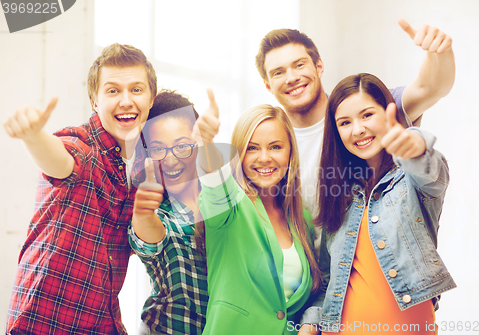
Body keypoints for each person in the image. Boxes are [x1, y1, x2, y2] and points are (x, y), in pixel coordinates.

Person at [3, 43, 157, 335]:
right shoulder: (84, 145)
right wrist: (34, 137)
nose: (126, 100)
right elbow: (62, 159)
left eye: (136, 89)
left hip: (101, 320)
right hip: (43, 322)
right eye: (113, 90)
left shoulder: (142, 167)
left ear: (151, 99)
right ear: (95, 101)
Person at [255, 19, 454, 221]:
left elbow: (429, 89)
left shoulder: (364, 112)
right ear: (269, 86)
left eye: (299, 65)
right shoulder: (269, 144)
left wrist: (439, 53)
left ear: (319, 66)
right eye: (278, 72)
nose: (291, 78)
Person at [308, 73, 456, 334]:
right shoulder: (338, 195)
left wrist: (415, 147)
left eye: (367, 115)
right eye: (344, 122)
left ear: (388, 114)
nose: (357, 129)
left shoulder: (411, 180)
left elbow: (431, 171)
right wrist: (309, 324)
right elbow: (329, 281)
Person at [193, 101, 321, 335]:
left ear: (290, 151)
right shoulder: (232, 204)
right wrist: (207, 146)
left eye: (275, 147)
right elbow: (215, 189)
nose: (264, 158)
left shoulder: (302, 220)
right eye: (252, 148)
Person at [128, 89, 208, 335]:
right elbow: (149, 239)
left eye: (182, 146)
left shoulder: (221, 198)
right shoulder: (160, 214)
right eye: (158, 149)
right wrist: (142, 213)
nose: (171, 160)